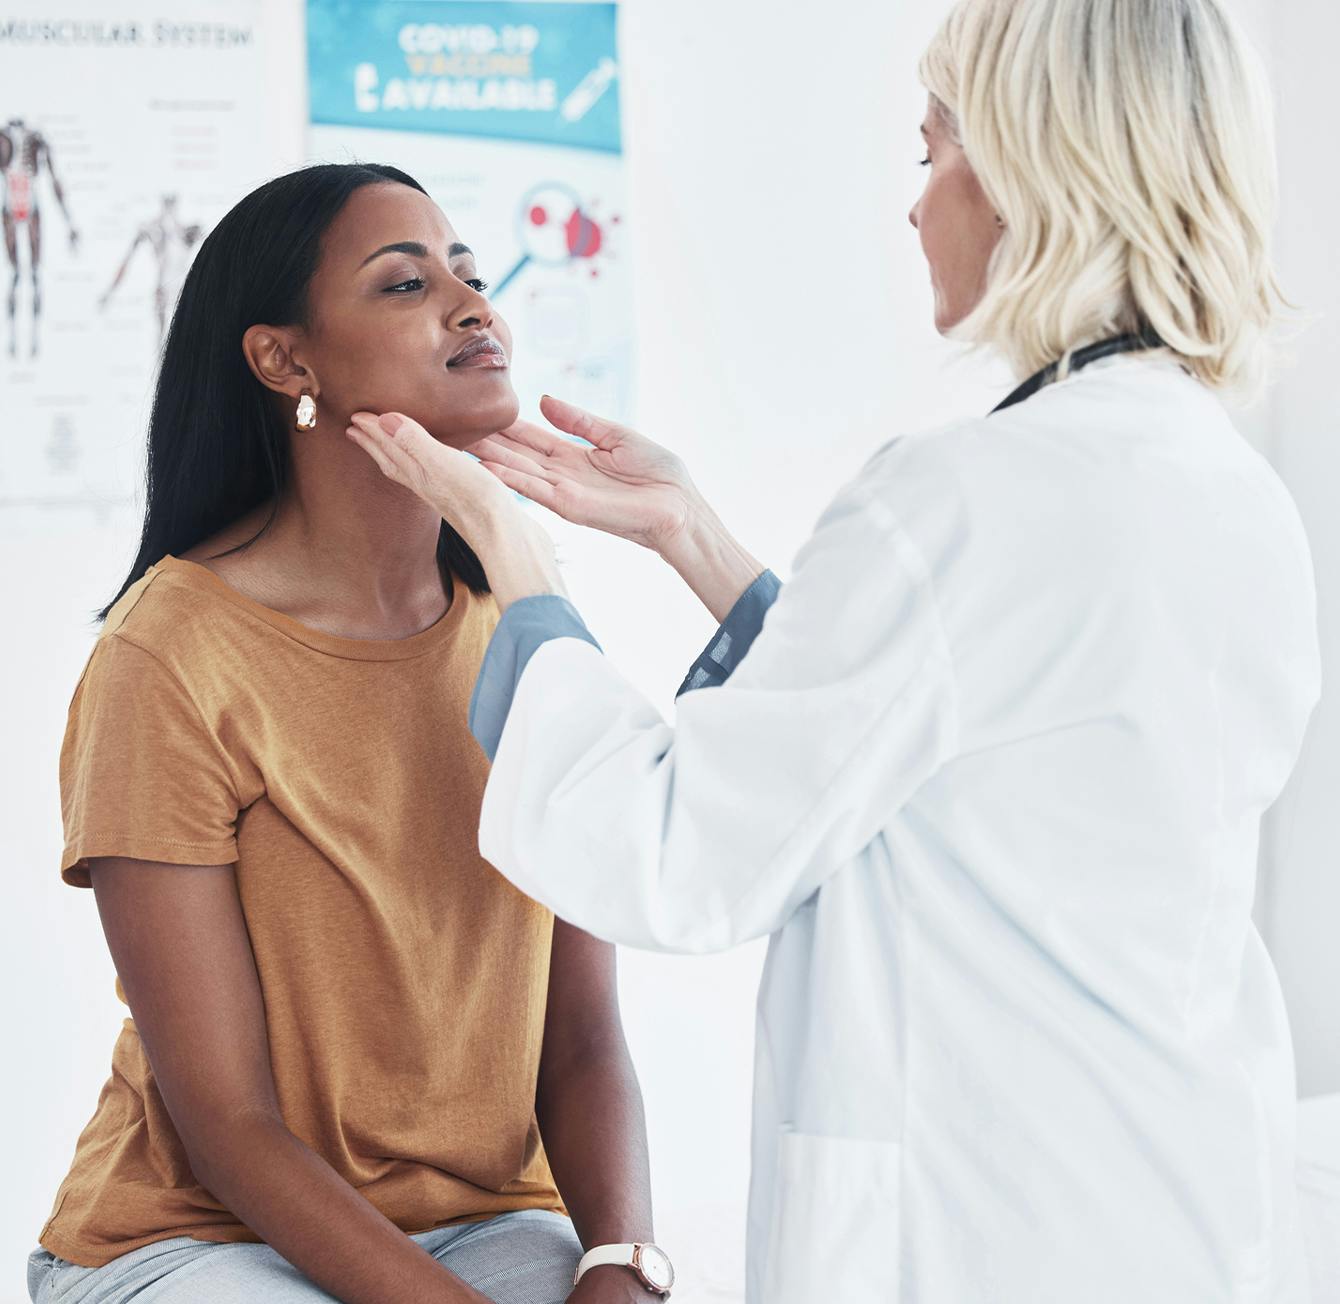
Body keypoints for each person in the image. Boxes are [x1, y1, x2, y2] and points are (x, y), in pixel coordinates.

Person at [340, 0, 1321, 1300]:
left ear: (1032, 163)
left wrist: (511, 557)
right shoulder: (1218, 484)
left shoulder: (971, 496)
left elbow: (680, 853)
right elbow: (945, 751)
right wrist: (691, 532)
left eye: (932, 153)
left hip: (992, 1225)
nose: (915, 208)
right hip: (1178, 1193)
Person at [25, 163, 668, 1304]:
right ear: (285, 360)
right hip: (195, 1235)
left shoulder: (527, 642)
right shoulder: (168, 658)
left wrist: (621, 1262)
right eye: (406, 281)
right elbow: (227, 1121)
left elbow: (578, 1038)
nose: (472, 302)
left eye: (469, 271)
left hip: (480, 1225)